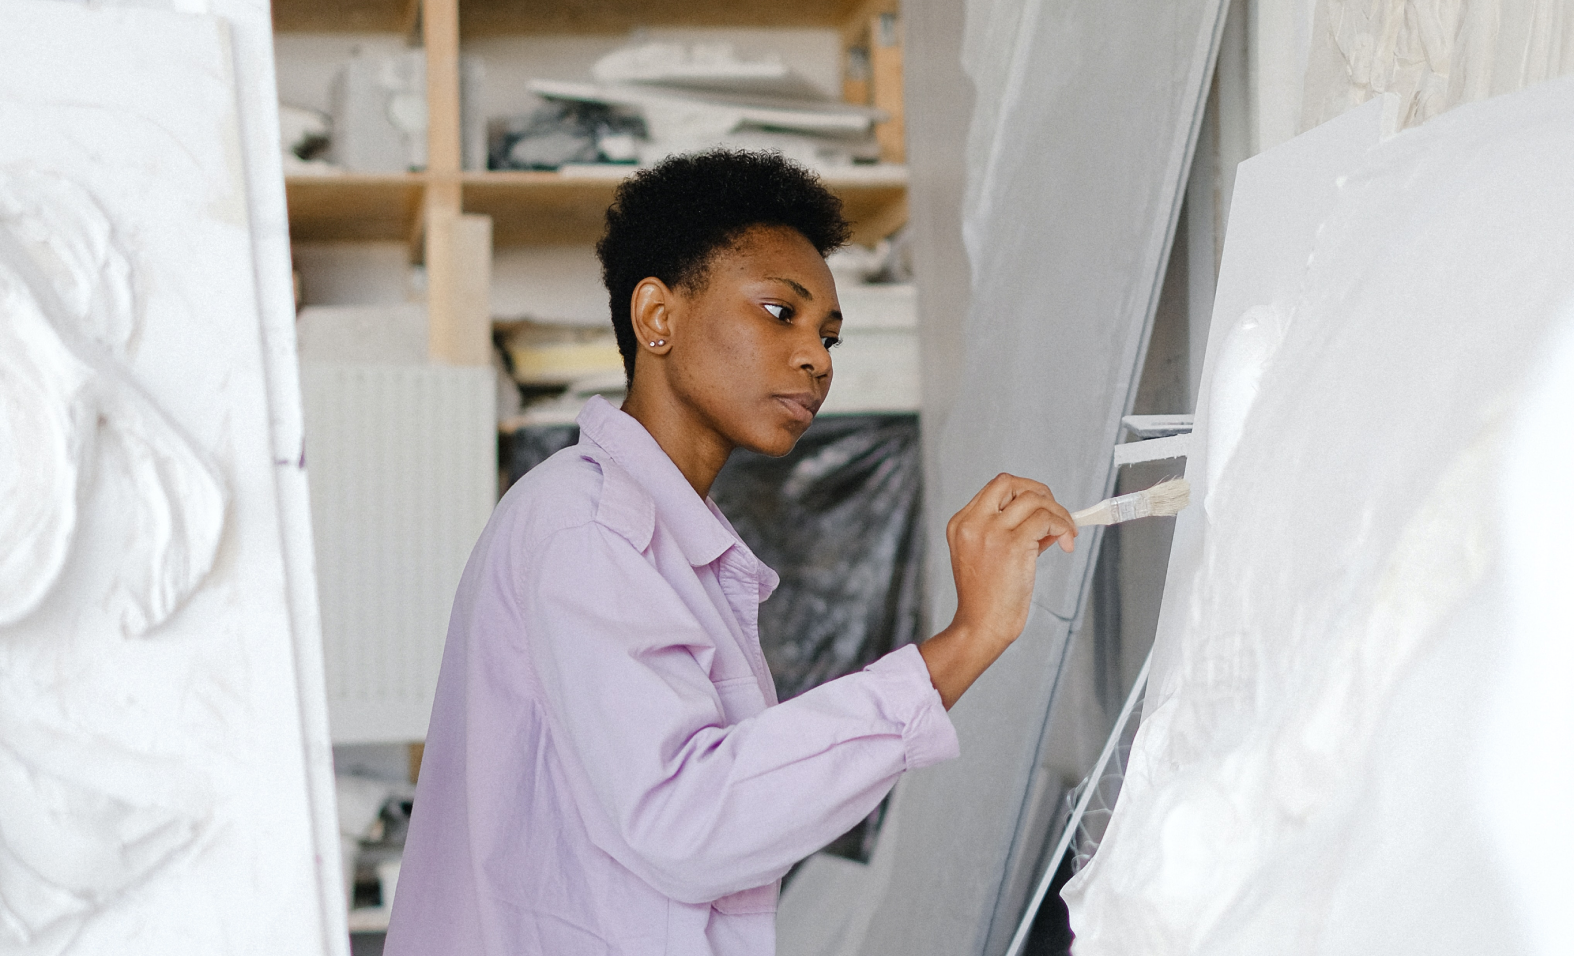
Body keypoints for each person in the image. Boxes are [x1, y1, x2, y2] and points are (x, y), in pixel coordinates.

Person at [384, 150, 1075, 956]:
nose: (816, 359)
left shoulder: (661, 532)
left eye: (828, 336)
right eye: (780, 313)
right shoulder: (589, 529)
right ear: (657, 318)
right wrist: (967, 640)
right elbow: (688, 821)